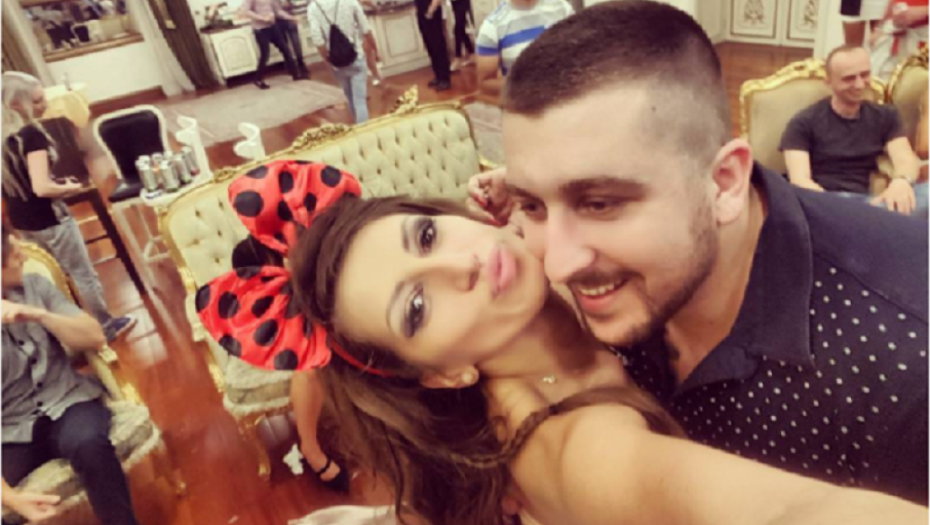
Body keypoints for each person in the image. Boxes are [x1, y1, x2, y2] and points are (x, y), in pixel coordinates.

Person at [196, 161, 926, 525]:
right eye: (416, 306)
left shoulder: (538, 288)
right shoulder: (575, 446)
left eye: (426, 235)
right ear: (443, 372)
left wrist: (535, 193)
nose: (461, 264)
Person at [467, 0, 928, 504]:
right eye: (532, 204)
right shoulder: (621, 276)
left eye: (599, 203)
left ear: (725, 182)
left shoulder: (905, 366)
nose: (557, 264)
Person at [1, 228, 142, 525]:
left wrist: (39, 315)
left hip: (68, 401)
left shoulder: (36, 286)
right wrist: (11, 498)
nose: (24, 256)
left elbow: (95, 337)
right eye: (14, 255)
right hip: (10, 429)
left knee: (89, 444)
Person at [1, 72, 135, 344]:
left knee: (49, 277)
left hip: (23, 221)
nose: (44, 105)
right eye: (36, 101)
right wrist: (70, 188)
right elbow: (41, 187)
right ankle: (105, 326)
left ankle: (64, 331)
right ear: (16, 104)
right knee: (82, 274)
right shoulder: (31, 135)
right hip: (51, 218)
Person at [229, 234, 349, 492]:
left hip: (310, 320)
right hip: (269, 332)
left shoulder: (301, 239)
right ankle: (311, 449)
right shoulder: (250, 254)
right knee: (312, 367)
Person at [780, 44, 928, 218]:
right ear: (829, 82)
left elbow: (905, 159)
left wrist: (901, 182)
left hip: (869, 204)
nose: (859, 84)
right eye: (849, 78)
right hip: (824, 204)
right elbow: (800, 180)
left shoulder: (886, 116)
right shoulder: (803, 122)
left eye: (865, 75)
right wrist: (835, 209)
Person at [475, 0, 573, 98]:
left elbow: (577, 53)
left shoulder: (563, 8)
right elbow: (485, 83)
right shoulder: (492, 27)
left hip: (570, 95)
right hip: (527, 103)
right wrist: (530, 88)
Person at [308, 0, 379, 123]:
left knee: (350, 98)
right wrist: (375, 49)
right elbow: (366, 29)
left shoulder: (313, 7)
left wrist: (328, 60)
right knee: (360, 101)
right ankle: (365, 130)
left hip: (337, 62)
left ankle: (358, 126)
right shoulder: (350, 1)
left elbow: (317, 39)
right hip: (356, 56)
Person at [239, 0, 302, 89]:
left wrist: (292, 18)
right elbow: (246, 11)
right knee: (265, 54)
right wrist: (262, 18)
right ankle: (258, 79)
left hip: (273, 27)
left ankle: (295, 74)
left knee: (285, 49)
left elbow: (278, 11)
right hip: (261, 30)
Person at [416, 0, 452, 91]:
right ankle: (438, 76)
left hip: (432, 12)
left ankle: (445, 78)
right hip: (421, 11)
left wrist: (431, 10)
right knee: (430, 46)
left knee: (438, 45)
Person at [277, 0, 311, 81]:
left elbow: (293, 5)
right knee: (285, 46)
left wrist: (289, 4)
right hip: (279, 21)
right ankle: (292, 67)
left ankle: (300, 64)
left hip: (289, 20)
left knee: (295, 43)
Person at [450, 0, 475, 72]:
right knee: (461, 29)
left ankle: (458, 58)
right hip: (455, 2)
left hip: (461, 2)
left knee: (458, 29)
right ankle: (471, 53)